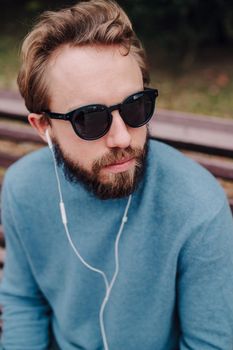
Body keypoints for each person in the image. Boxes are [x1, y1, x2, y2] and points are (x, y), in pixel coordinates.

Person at [1, 0, 233, 349]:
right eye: (90, 119)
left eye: (135, 107)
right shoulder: (22, 189)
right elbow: (24, 303)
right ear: (43, 126)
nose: (123, 138)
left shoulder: (197, 208)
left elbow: (210, 343)